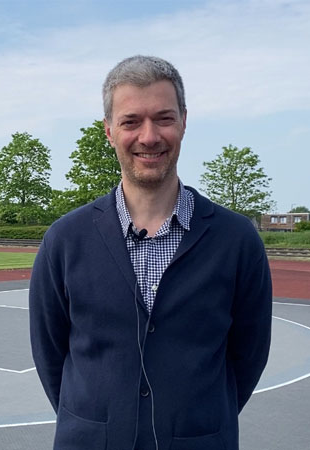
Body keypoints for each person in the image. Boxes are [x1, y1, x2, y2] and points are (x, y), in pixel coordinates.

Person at [29, 55, 272, 450]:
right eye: (130, 122)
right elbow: (50, 353)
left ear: (184, 122)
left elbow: (248, 357)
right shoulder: (65, 239)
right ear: (109, 131)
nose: (149, 136)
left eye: (163, 118)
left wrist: (198, 420)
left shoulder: (237, 239)